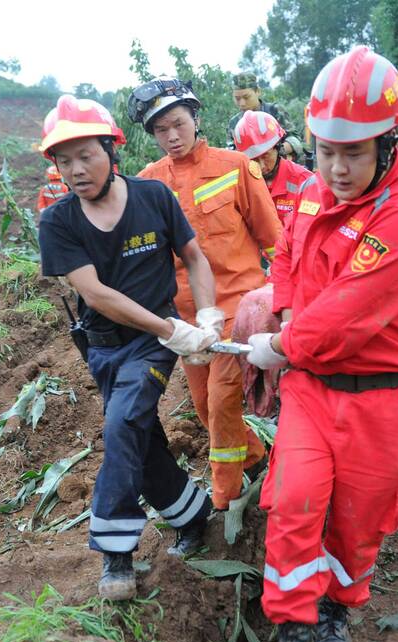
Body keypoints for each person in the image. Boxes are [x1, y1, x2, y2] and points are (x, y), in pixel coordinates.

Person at [246, 47, 398, 642]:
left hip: (385, 399)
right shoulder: (308, 191)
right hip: (312, 388)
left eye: (354, 152)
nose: (336, 167)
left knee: (358, 523)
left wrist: (275, 344)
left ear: (390, 145)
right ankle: (295, 630)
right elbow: (286, 260)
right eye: (327, 148)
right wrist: (278, 308)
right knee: (296, 502)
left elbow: (342, 316)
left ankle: (338, 608)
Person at [36, 95, 221, 600]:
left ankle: (116, 553)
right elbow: (95, 295)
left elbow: (194, 257)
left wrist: (204, 314)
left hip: (151, 347)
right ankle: (194, 515)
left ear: (110, 149)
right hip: (103, 348)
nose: (75, 169)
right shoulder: (58, 222)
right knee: (140, 437)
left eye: (86, 155)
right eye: (63, 159)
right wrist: (173, 330)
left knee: (120, 427)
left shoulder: (154, 197)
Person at [130, 78, 283, 511]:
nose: (172, 137)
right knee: (202, 406)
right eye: (161, 131)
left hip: (239, 308)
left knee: (220, 404)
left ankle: (225, 501)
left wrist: (289, 302)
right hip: (187, 321)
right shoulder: (148, 183)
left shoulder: (236, 166)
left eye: (178, 124)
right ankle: (256, 460)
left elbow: (274, 239)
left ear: (196, 119)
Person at [231, 110, 312, 224]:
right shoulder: (240, 185)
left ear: (278, 147)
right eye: (253, 160)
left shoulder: (304, 182)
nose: (262, 166)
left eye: (266, 156)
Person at [227, 72, 305, 164]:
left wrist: (276, 152)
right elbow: (231, 152)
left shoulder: (274, 111)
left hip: (283, 167)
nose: (242, 103)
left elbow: (295, 139)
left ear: (258, 92)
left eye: (246, 97)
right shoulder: (234, 123)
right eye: (237, 98)